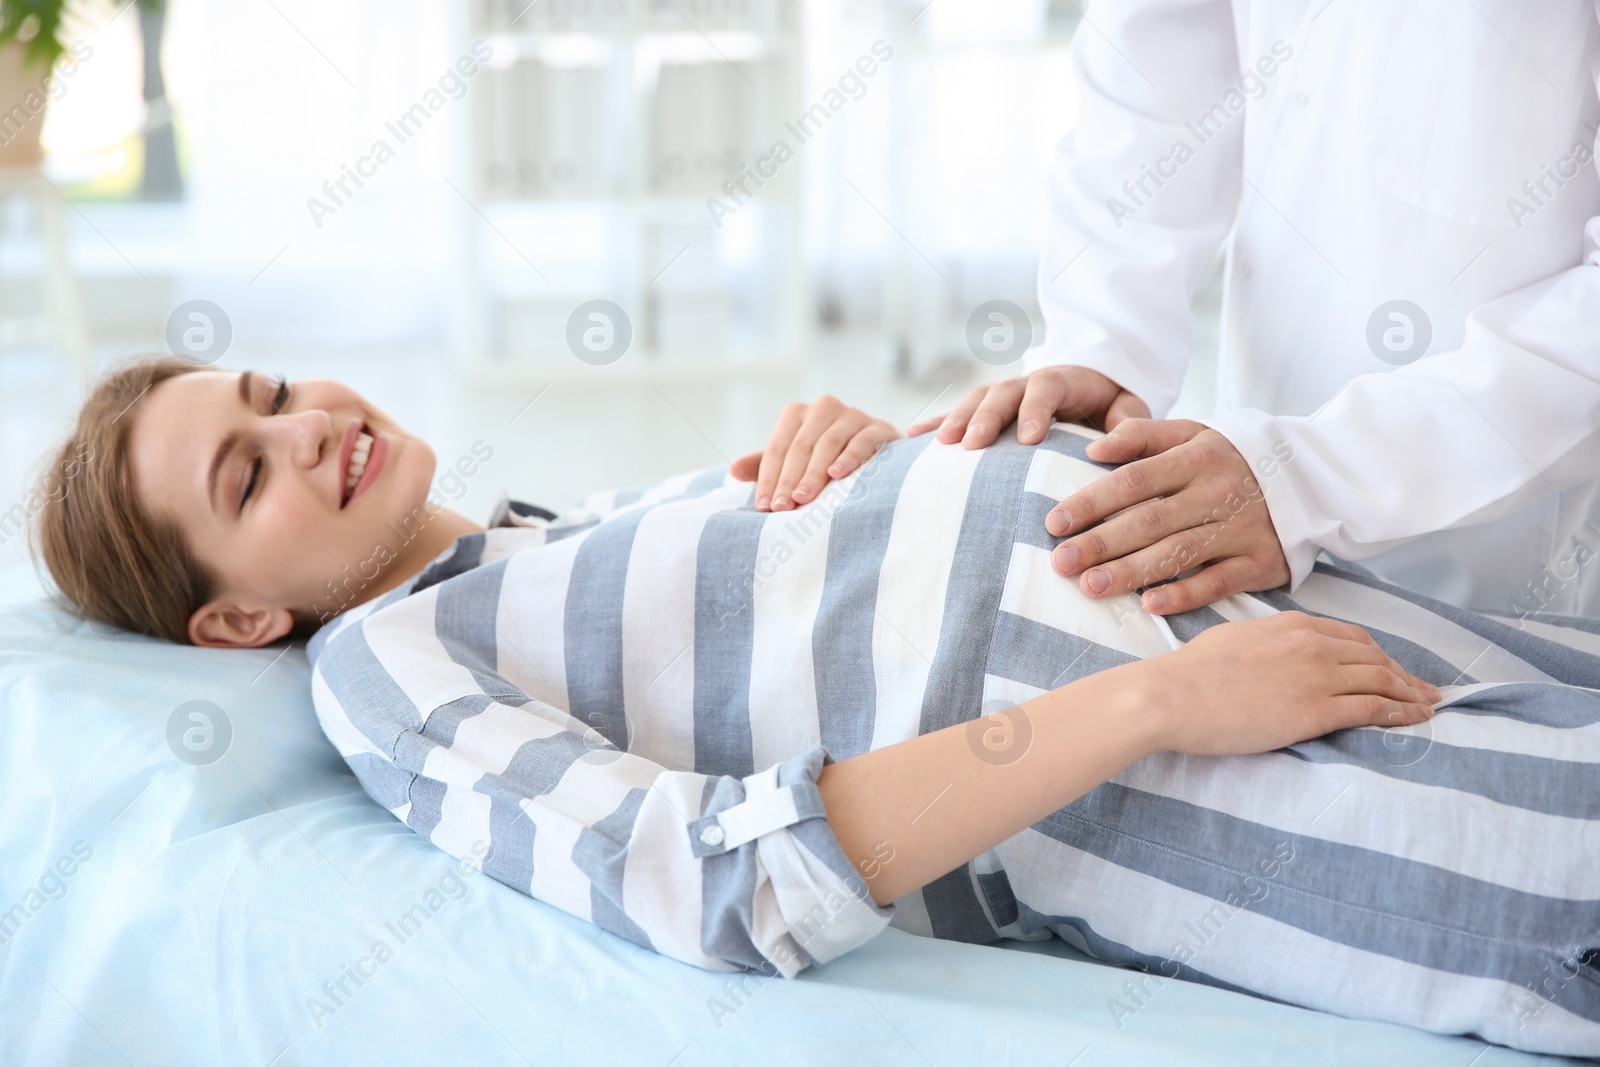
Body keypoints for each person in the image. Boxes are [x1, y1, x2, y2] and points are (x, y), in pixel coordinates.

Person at [29, 358, 1600, 1057]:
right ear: (236, 616)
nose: (310, 429)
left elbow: (816, 633)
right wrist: (1158, 697)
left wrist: (917, 454)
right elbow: (715, 875)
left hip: (1264, 602)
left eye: (272, 394)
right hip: (1210, 764)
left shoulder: (536, 538)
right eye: (250, 473)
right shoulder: (377, 667)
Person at [875, 6, 1600, 623]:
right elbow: (1161, 61)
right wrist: (1102, 342)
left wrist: (1322, 478)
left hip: (1511, 551)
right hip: (1249, 503)